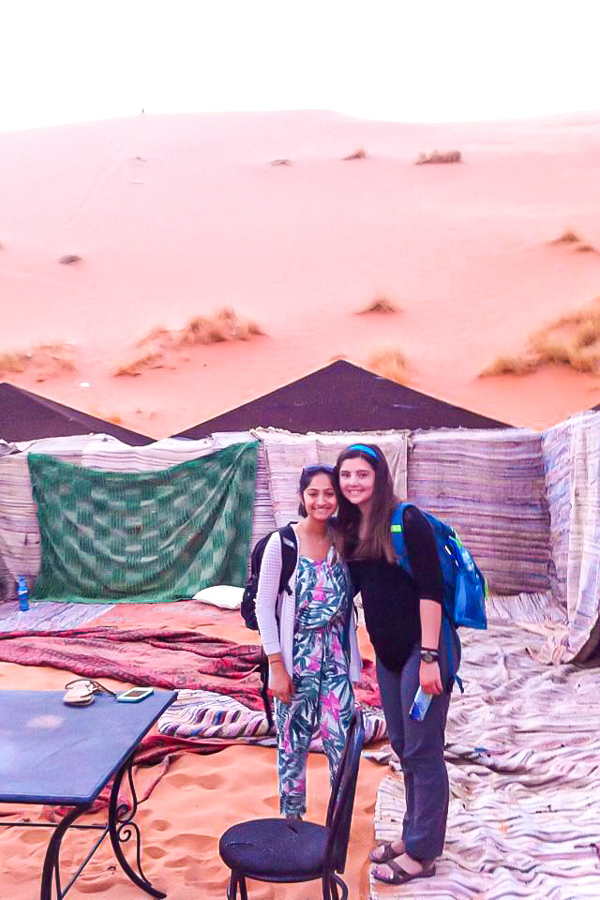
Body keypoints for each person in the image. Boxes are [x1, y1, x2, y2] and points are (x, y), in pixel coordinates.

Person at [335, 443, 459, 886]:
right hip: (388, 656)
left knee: (424, 750)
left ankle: (424, 852)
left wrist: (429, 659)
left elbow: (431, 591)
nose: (353, 482)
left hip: (422, 652)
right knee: (404, 748)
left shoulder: (407, 520)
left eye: (361, 475)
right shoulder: (351, 527)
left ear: (379, 477)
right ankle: (413, 834)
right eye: (345, 474)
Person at [255, 463, 361, 819]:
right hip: (295, 658)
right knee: (292, 741)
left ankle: (338, 822)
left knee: (341, 741)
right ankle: (292, 821)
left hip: (336, 659)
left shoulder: (344, 540)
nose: (321, 501)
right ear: (302, 496)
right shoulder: (282, 543)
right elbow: (263, 607)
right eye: (313, 493)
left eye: (329, 493)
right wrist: (276, 667)